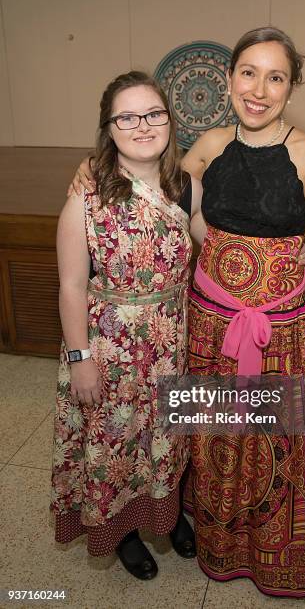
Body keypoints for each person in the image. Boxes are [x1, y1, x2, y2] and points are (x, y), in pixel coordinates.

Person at [180, 27, 305, 600]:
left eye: (275, 76)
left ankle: (280, 553)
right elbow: (161, 198)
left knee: (283, 444)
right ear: (228, 78)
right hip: (211, 326)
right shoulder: (207, 145)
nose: (259, 89)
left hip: (284, 332)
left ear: (291, 86)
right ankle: (220, 542)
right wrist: (94, 172)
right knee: (216, 436)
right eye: (248, 73)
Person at [50, 70, 204, 581]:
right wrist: (80, 360)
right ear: (109, 127)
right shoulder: (87, 195)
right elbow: (72, 285)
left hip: (171, 344)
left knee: (168, 439)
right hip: (108, 350)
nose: (143, 125)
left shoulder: (187, 188)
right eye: (128, 117)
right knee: (116, 448)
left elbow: (219, 253)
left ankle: (170, 515)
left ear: (169, 121)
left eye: (154, 114)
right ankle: (125, 533)